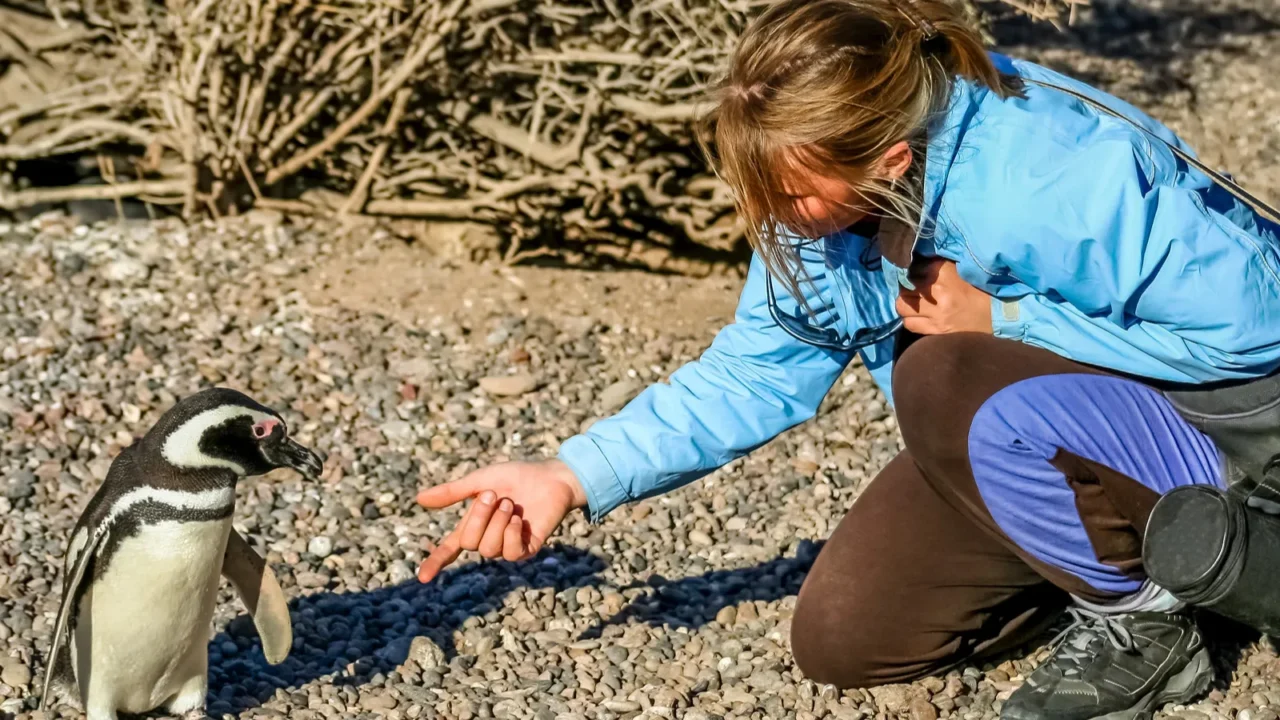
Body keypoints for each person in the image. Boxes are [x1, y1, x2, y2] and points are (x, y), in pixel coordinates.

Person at [413, 0, 1280, 717]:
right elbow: (761, 367)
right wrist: (569, 474)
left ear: (890, 158)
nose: (769, 213)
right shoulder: (825, 199)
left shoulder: (1051, 178)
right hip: (1058, 429)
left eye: (787, 192)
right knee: (849, 639)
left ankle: (1155, 619)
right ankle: (1134, 552)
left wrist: (1005, 318)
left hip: (1237, 424)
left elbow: (1255, 331)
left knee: (940, 373)